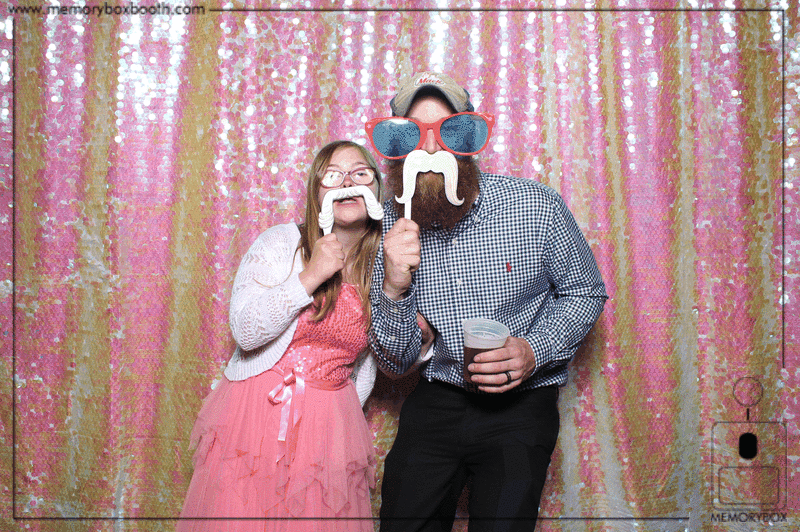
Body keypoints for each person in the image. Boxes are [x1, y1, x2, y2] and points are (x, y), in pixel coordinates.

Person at [366, 72, 608, 532]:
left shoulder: (534, 205)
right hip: (437, 397)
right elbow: (395, 361)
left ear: (468, 140)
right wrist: (394, 288)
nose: (430, 149)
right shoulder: (386, 224)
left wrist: (535, 349)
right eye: (413, 134)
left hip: (520, 404)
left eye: (448, 131)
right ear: (397, 148)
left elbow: (585, 291)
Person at [178, 140, 386, 532]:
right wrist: (311, 275)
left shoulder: (383, 265)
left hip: (329, 428)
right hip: (257, 419)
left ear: (377, 188)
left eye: (360, 173)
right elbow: (245, 330)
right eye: (333, 175)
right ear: (316, 191)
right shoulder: (281, 243)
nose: (348, 182)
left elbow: (368, 361)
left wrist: (338, 417)